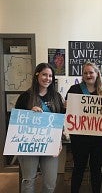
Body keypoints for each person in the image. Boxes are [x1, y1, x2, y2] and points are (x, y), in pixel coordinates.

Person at [15, 63, 65, 193]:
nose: (47, 78)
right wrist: (29, 114)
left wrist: (58, 141)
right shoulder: (25, 97)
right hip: (28, 144)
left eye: (50, 76)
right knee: (28, 180)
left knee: (50, 182)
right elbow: (15, 122)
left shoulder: (56, 97)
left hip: (49, 144)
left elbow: (60, 121)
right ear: (37, 75)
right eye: (44, 74)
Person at [65, 62, 102, 193]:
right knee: (78, 167)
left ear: (97, 74)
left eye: (91, 72)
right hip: (79, 138)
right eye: (85, 73)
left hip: (100, 139)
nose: (88, 75)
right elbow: (67, 111)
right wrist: (66, 106)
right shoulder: (74, 90)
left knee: (96, 168)